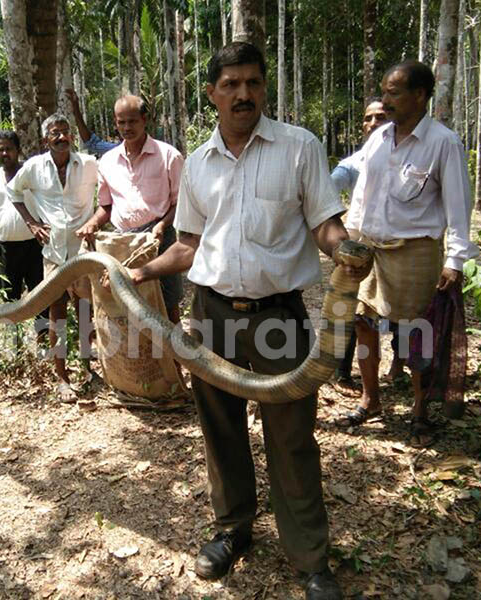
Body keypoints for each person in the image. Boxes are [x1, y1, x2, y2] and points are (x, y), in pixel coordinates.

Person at [124, 43, 368, 600]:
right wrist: (143, 272)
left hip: (278, 316)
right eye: (231, 84)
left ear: (263, 88)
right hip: (211, 314)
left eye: (253, 82)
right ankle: (233, 529)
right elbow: (188, 245)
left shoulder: (298, 148)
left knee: (292, 435)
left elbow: (325, 225)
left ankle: (310, 559)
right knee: (221, 428)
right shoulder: (198, 163)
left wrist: (345, 249)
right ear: (211, 93)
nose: (243, 94)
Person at [341, 60, 478, 447]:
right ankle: (370, 400)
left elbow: (458, 206)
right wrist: (351, 243)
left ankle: (420, 410)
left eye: (394, 93)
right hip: (371, 249)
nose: (385, 101)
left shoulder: (442, 143)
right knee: (363, 323)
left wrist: (455, 260)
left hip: (415, 250)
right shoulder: (378, 139)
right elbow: (362, 196)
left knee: (416, 331)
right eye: (384, 92)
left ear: (420, 95)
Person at [8, 113, 99, 404]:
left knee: (85, 311)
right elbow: (13, 192)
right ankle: (62, 378)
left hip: (83, 250)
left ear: (72, 135)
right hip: (54, 252)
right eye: (55, 133)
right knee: (56, 312)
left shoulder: (88, 164)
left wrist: (95, 222)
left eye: (65, 132)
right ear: (45, 139)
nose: (61, 137)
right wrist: (32, 223)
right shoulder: (34, 167)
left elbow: (108, 194)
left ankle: (88, 370)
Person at [75, 94, 185, 323]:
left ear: (145, 120)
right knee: (127, 311)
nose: (127, 128)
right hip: (123, 243)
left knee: (168, 306)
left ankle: (175, 348)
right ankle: (140, 348)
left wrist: (162, 225)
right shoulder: (107, 161)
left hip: (160, 240)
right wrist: (92, 223)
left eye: (132, 121)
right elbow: (106, 206)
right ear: (115, 123)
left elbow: (180, 203)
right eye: (121, 122)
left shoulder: (169, 156)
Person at [330, 98, 395, 395]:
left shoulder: (409, 159)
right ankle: (343, 373)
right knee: (355, 311)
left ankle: (399, 367)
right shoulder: (353, 163)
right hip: (362, 246)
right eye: (368, 118)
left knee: (399, 311)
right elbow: (331, 186)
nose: (373, 123)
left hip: (399, 246)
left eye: (380, 117)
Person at [0, 130, 47, 338]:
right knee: (9, 299)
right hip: (6, 248)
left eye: (9, 149)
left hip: (35, 246)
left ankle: (44, 341)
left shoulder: (31, 173)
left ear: (18, 150)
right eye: (0, 149)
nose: (5, 153)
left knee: (41, 297)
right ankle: (15, 344)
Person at [65, 88, 119, 157]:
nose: (127, 127)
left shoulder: (116, 150)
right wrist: (75, 107)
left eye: (131, 122)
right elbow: (91, 142)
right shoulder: (116, 149)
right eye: (121, 122)